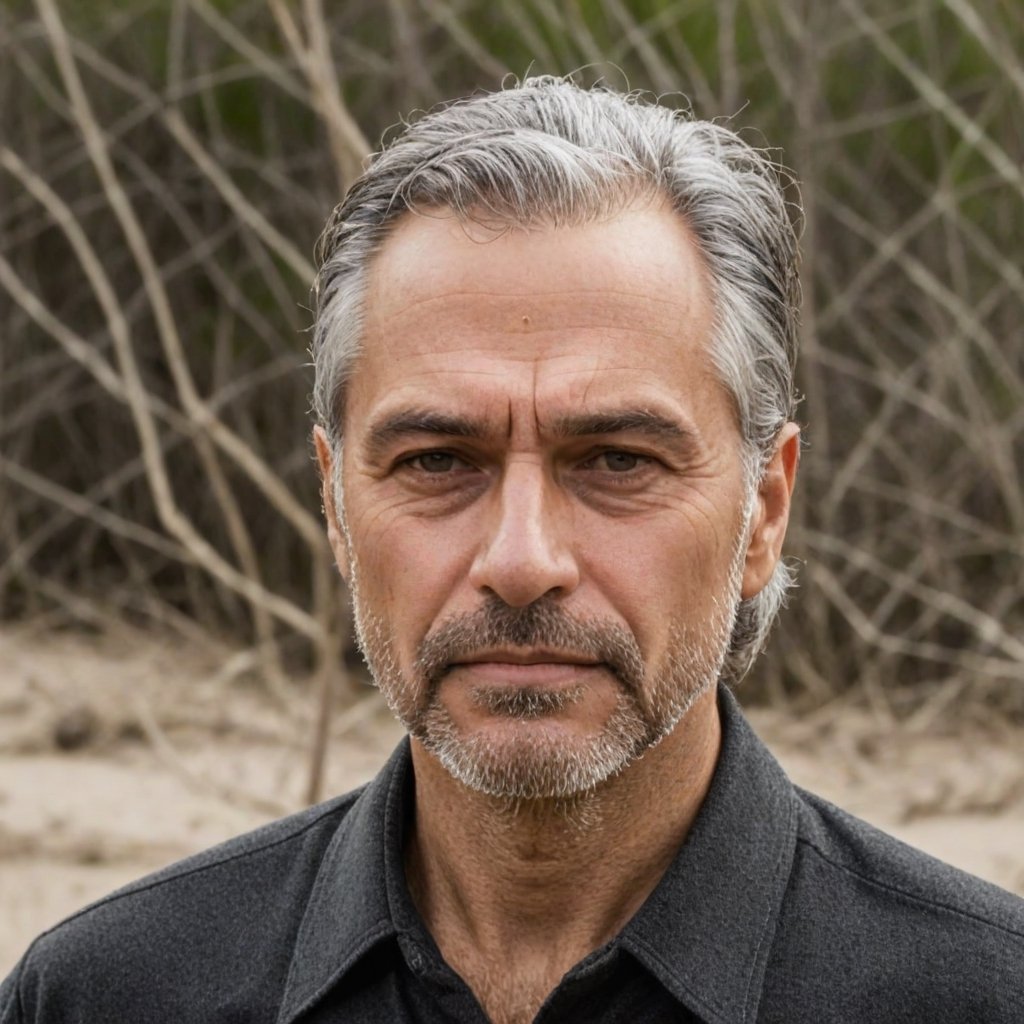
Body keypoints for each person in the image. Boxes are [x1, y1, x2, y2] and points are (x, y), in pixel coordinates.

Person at [2, 76, 1022, 1024]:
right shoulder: (106, 995)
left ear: (763, 509)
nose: (523, 558)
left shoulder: (981, 996)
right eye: (439, 459)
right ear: (335, 506)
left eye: (616, 459)